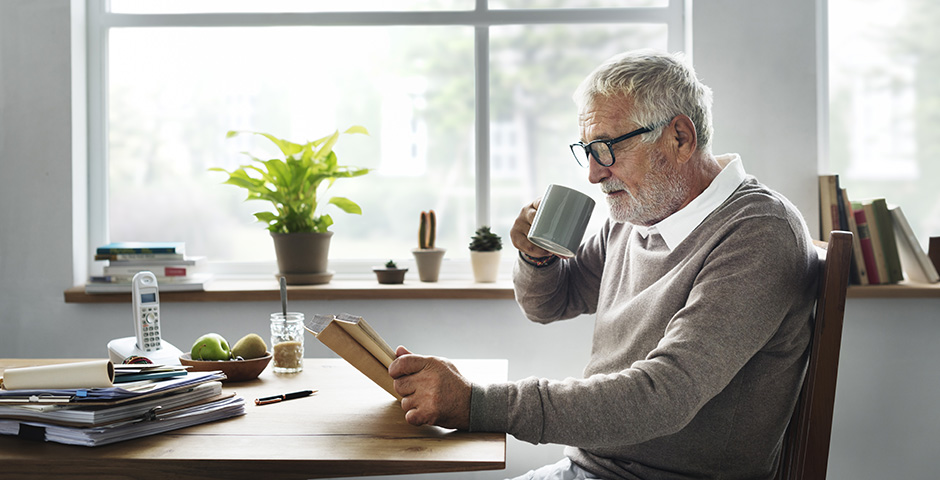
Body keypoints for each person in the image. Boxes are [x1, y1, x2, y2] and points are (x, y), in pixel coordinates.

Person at [389, 50, 818, 480]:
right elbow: (551, 303)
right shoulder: (642, 213)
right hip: (594, 467)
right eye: (587, 151)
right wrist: (536, 255)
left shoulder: (758, 232)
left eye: (607, 149)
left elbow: (662, 397)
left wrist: (474, 404)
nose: (594, 174)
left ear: (680, 138)